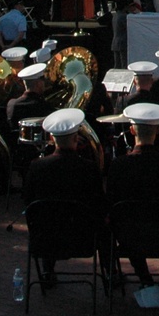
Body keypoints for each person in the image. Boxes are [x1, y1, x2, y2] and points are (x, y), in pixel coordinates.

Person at [106, 102, 159, 301]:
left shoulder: (118, 166)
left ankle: (144, 277)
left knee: (122, 221)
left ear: (132, 130)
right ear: (158, 130)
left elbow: (111, 206)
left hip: (128, 237)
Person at [23, 108, 107, 287]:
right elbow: (99, 204)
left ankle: (47, 269)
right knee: (105, 226)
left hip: (45, 239)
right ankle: (110, 273)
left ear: (52, 139)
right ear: (76, 138)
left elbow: (28, 202)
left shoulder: (36, 167)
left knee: (46, 218)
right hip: (83, 239)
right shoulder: (89, 169)